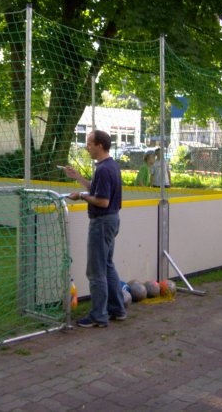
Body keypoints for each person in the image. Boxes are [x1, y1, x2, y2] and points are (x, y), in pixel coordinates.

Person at [62, 130, 126, 328]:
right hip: (111, 220)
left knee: (96, 271)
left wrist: (81, 196)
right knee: (107, 265)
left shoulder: (104, 170)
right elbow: (97, 190)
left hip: (102, 223)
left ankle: (99, 315)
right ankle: (117, 309)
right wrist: (78, 177)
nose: (87, 147)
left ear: (100, 145)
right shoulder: (110, 166)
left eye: (89, 143)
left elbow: (102, 201)